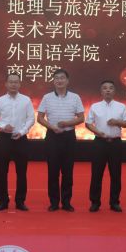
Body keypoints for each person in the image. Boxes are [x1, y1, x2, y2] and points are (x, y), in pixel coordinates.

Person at [37, 69, 84, 212]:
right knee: (53, 171)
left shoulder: (75, 97)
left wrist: (67, 123)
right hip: (52, 137)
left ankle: (66, 202)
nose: (59, 80)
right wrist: (52, 127)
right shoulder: (47, 97)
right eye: (56, 78)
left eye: (62, 78)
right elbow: (40, 118)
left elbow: (81, 118)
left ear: (67, 81)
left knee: (68, 171)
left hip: (68, 137)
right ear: (53, 81)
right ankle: (53, 202)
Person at [0, 73, 35, 211]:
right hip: (4, 138)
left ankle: (20, 201)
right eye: (11, 82)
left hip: (21, 138)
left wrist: (22, 131)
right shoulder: (0, 101)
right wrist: (3, 126)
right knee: (2, 171)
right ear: (6, 84)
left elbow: (31, 118)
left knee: (21, 172)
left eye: (16, 82)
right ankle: (3, 201)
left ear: (19, 84)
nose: (13, 84)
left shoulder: (26, 100)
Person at [85, 80, 126, 212]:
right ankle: (95, 202)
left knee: (116, 174)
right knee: (96, 174)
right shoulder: (95, 106)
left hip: (115, 143)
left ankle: (114, 202)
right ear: (101, 91)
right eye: (105, 88)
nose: (108, 90)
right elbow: (88, 123)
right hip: (99, 142)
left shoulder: (121, 107)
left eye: (111, 88)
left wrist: (117, 122)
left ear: (114, 91)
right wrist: (98, 132)